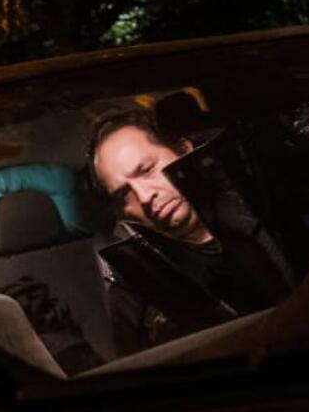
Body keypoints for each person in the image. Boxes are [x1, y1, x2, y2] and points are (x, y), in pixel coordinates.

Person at [88, 109, 297, 354]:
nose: (144, 197)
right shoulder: (136, 288)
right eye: (124, 194)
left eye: (147, 169)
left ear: (183, 150)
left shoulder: (271, 204)